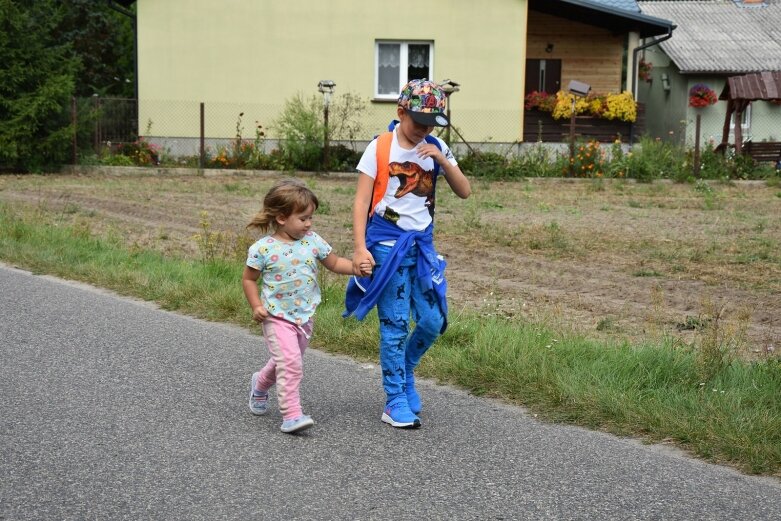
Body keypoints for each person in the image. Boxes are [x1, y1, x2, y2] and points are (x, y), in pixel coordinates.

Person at [348, 79, 471, 429]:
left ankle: (405, 370)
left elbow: (465, 191)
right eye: (419, 123)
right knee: (395, 325)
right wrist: (359, 248)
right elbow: (360, 201)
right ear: (400, 112)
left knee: (433, 322)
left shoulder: (437, 147)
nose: (425, 130)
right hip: (387, 247)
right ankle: (395, 399)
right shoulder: (380, 148)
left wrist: (443, 161)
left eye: (432, 124)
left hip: (422, 248)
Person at [242, 179, 370, 433]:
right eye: (303, 218)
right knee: (291, 363)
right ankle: (291, 415)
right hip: (275, 316)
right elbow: (249, 279)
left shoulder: (312, 241)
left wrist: (356, 268)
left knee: (286, 361)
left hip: (304, 316)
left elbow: (334, 263)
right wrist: (256, 305)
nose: (309, 223)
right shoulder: (263, 249)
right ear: (281, 217)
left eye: (311, 217)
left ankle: (260, 383)